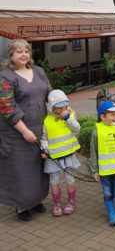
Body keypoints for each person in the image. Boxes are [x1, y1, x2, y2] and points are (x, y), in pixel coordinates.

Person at [0, 39, 50, 222]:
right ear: (11, 55)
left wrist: (63, 108)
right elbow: (6, 107)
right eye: (18, 51)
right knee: (21, 170)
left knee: (38, 168)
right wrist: (24, 131)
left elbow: (50, 95)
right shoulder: (6, 76)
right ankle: (21, 205)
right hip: (16, 132)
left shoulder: (39, 72)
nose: (23, 55)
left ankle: (35, 200)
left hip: (40, 128)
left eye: (26, 51)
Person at [40, 89, 81, 217]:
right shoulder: (47, 121)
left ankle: (71, 202)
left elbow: (77, 128)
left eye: (65, 105)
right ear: (52, 107)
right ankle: (56, 204)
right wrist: (44, 149)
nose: (63, 109)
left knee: (70, 178)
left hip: (68, 153)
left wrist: (68, 118)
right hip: (53, 157)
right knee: (54, 180)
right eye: (59, 107)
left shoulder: (70, 114)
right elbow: (44, 138)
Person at [90, 100, 115, 226]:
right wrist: (94, 170)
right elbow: (93, 152)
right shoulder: (97, 131)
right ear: (102, 117)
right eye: (112, 114)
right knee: (107, 194)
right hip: (104, 171)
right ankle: (112, 213)